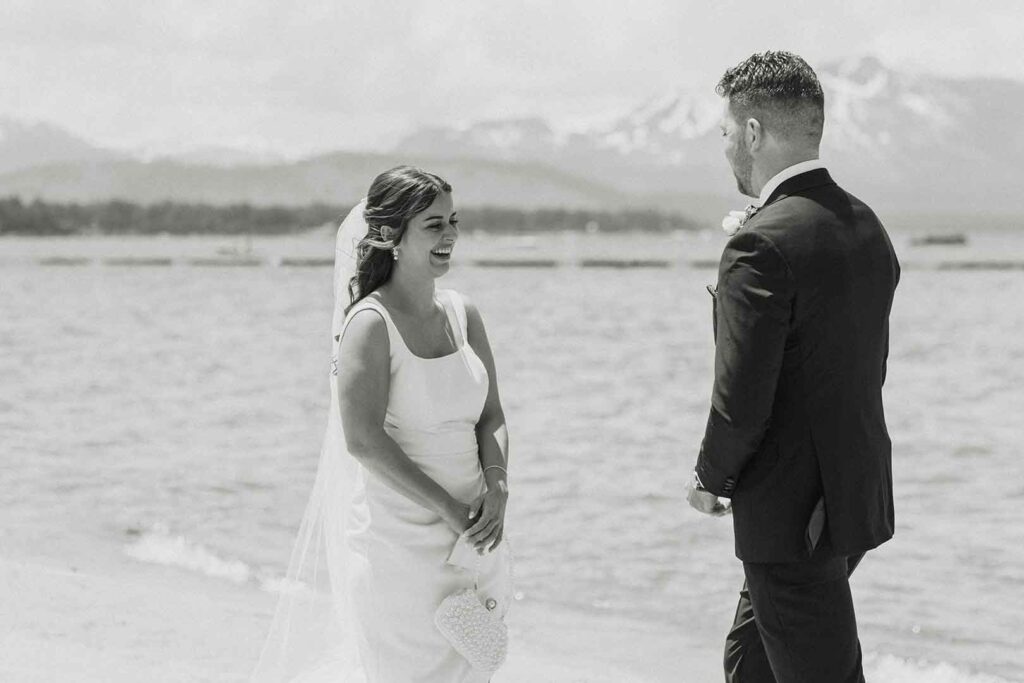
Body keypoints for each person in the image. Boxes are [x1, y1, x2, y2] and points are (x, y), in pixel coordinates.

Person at [686, 51, 900, 682]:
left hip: (791, 514)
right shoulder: (867, 226)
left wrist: (711, 476)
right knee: (749, 663)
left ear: (753, 133)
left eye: (727, 133)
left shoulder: (760, 240)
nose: (725, 148)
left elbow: (743, 392)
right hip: (852, 500)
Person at [253, 166, 513, 682]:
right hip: (399, 548)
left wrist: (498, 489)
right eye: (433, 225)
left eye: (453, 221)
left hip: (477, 536)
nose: (450, 236)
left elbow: (491, 415)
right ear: (391, 236)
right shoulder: (371, 324)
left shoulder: (465, 314)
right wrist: (450, 508)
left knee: (474, 669)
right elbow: (364, 441)